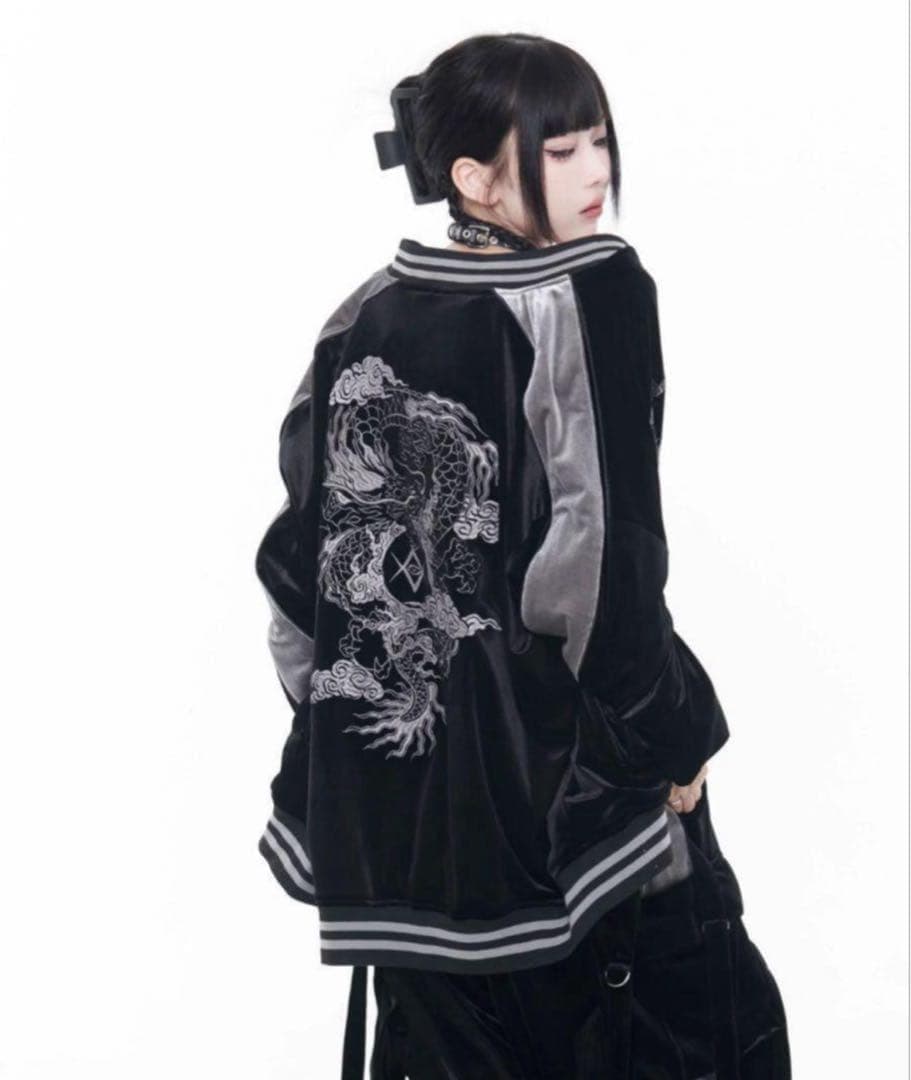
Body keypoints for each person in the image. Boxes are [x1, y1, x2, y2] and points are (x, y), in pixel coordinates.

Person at [254, 32, 791, 1079]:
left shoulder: (361, 314)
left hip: (397, 841)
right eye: (559, 148)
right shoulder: (589, 293)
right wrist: (670, 736)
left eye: (598, 140)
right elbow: (601, 566)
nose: (595, 170)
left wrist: (357, 752)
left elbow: (294, 577)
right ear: (473, 177)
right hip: (570, 823)